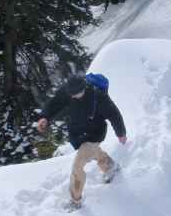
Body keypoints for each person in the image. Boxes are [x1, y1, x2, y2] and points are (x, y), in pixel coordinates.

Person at [37, 75, 127, 206]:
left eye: (76, 94)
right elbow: (55, 103)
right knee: (91, 152)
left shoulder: (98, 97)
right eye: (71, 94)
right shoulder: (68, 91)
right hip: (77, 135)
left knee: (77, 166)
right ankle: (110, 166)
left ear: (84, 88)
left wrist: (121, 133)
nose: (72, 97)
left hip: (95, 134)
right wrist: (45, 117)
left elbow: (114, 114)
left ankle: (75, 200)